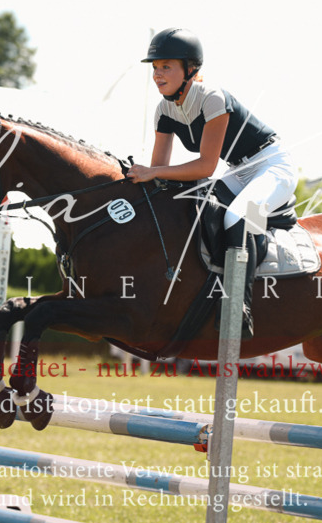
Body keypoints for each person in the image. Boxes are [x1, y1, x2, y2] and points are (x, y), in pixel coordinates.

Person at [126, 27, 297, 337]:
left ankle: (239, 306)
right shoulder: (164, 110)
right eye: (154, 67)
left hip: (272, 165)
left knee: (236, 216)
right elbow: (159, 170)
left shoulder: (212, 98)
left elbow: (205, 166)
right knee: (195, 205)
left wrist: (153, 172)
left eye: (166, 66)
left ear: (190, 69)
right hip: (238, 170)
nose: (157, 74)